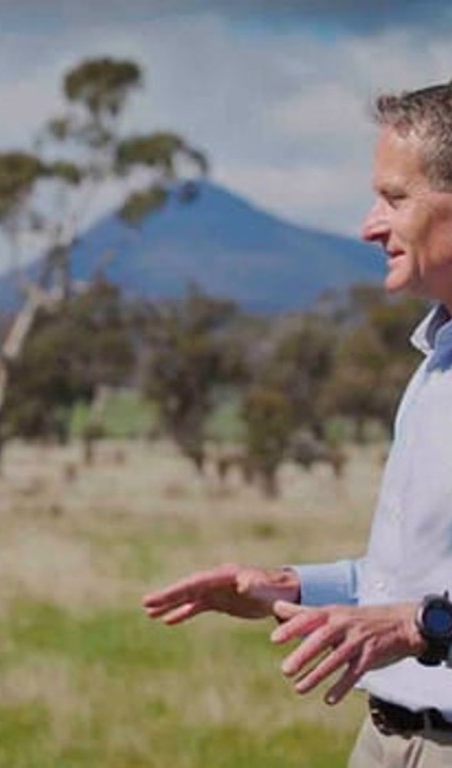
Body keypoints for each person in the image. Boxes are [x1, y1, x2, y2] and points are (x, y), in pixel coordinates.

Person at [143, 81, 452, 768]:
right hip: (386, 738)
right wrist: (290, 586)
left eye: (396, 199)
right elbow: (410, 575)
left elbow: (417, 610)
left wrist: (419, 625)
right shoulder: (435, 363)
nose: (369, 225)